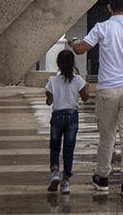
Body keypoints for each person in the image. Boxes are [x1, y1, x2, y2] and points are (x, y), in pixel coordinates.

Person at [71, 0, 123, 201]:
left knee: (107, 136)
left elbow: (81, 49)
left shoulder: (102, 27)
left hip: (107, 89)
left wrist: (73, 43)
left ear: (109, 8)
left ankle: (103, 177)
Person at [45, 48, 89, 194]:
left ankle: (55, 172)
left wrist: (51, 94)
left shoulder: (53, 81)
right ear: (73, 63)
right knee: (68, 149)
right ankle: (65, 182)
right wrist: (85, 87)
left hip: (57, 116)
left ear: (58, 63)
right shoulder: (78, 80)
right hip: (72, 116)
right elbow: (85, 98)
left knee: (55, 147)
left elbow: (49, 102)